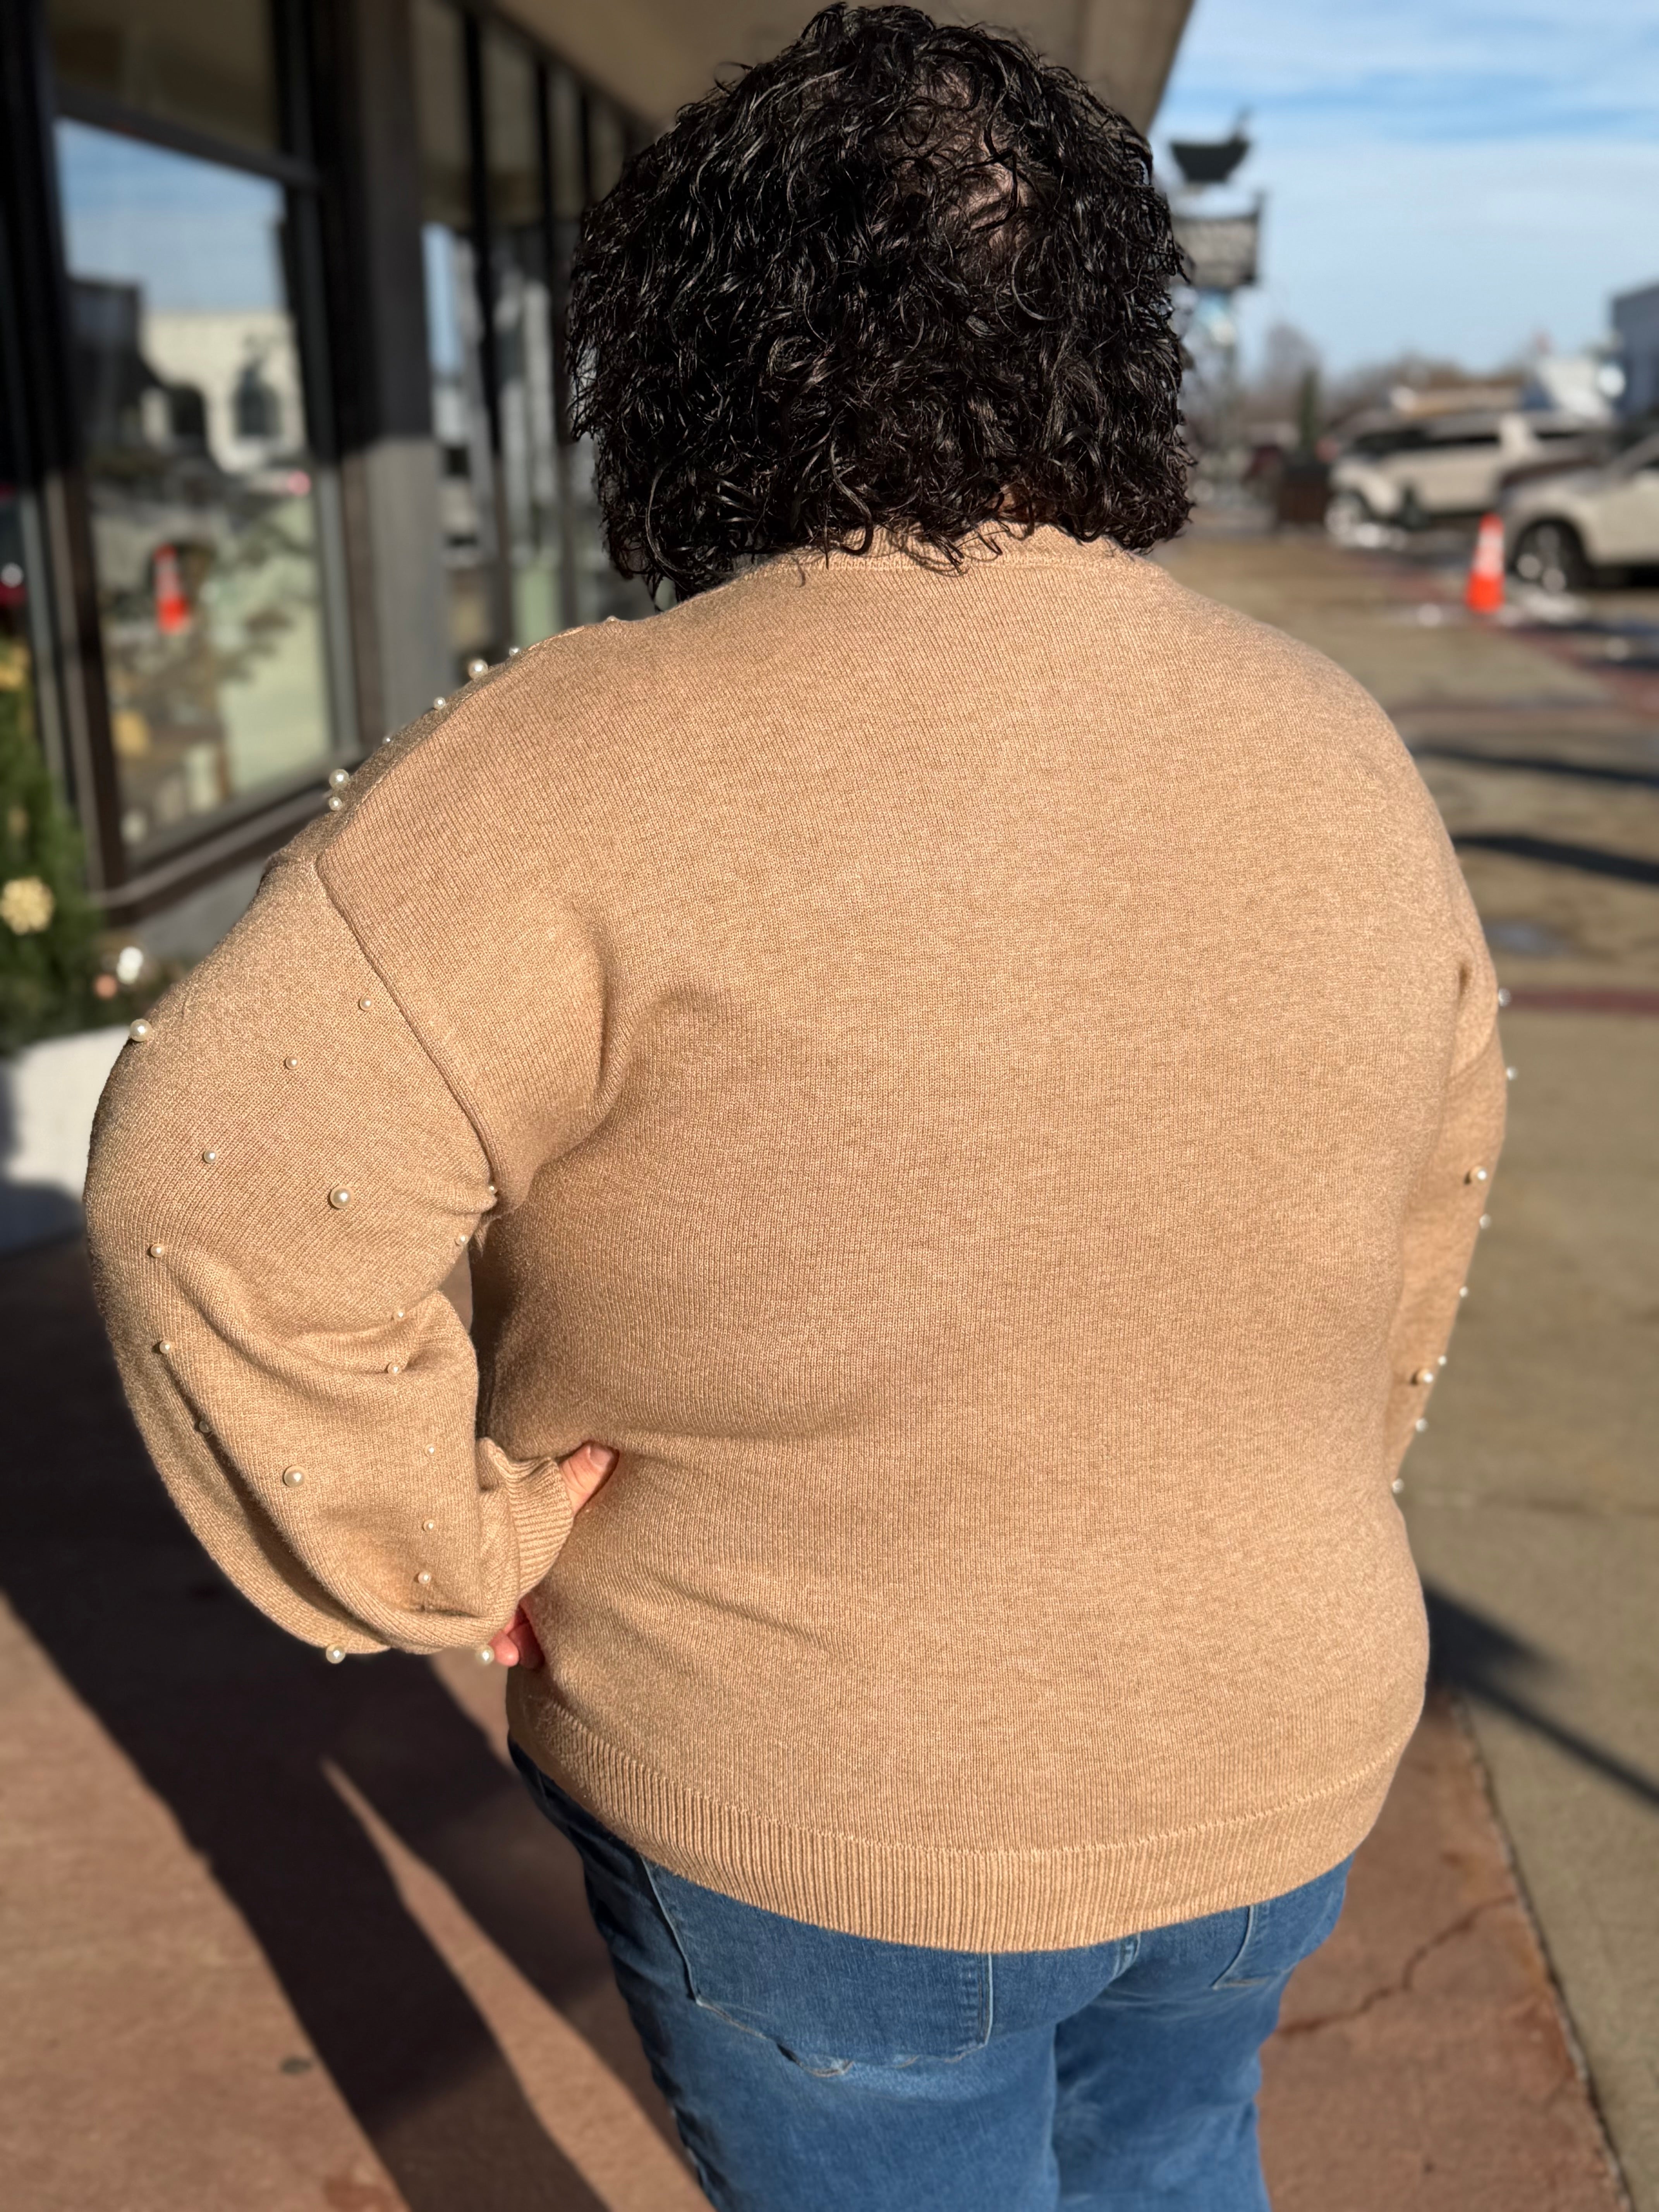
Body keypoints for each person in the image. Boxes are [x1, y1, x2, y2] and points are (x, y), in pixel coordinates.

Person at [84, 8, 1505, 2207]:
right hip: (1279, 1731)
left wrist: (436, 1545)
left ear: (696, 350)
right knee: (1179, 2162)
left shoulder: (569, 763)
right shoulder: (1331, 743)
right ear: (1112, 340)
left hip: (814, 1796)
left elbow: (213, 1192)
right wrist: (1312, 1482)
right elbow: (1436, 1173)